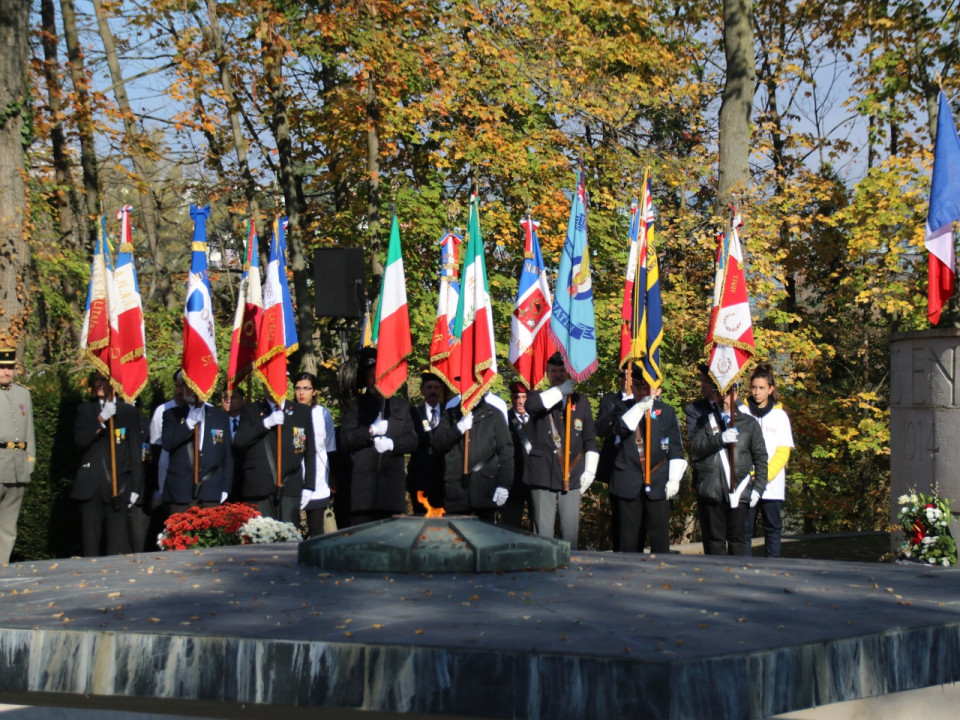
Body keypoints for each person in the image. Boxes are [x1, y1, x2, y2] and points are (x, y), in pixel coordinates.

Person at [596, 364, 686, 553]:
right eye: (638, 388)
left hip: (658, 480)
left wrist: (674, 479)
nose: (642, 392)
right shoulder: (621, 407)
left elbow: (676, 449)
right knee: (628, 542)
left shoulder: (667, 412)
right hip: (628, 480)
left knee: (660, 541)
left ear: (655, 388)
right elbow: (620, 428)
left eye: (646, 388)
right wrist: (638, 408)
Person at [524, 352, 598, 550]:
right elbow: (532, 407)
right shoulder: (537, 396)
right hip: (544, 472)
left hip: (572, 473)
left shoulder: (581, 402)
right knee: (543, 533)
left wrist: (590, 470)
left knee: (570, 532)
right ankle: (542, 571)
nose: (557, 374)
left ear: (569, 372)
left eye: (561, 370)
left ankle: (571, 569)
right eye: (553, 371)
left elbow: (590, 438)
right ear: (547, 374)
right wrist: (560, 392)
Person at [688, 373, 768, 556]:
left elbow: (761, 459)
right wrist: (720, 439)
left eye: (729, 392)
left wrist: (758, 489)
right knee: (714, 542)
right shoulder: (704, 422)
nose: (724, 397)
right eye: (720, 392)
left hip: (739, 490)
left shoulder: (750, 424)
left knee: (738, 541)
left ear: (736, 394)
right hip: (711, 489)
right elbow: (696, 448)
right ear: (715, 395)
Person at [339, 347, 418, 525]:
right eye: (372, 375)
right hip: (364, 494)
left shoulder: (402, 406)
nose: (376, 379)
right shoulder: (355, 407)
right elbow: (345, 440)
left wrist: (393, 444)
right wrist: (370, 432)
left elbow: (412, 440)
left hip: (392, 493)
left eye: (380, 374)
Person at [72, 372, 144, 556]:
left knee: (116, 546)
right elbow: (80, 441)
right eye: (96, 380)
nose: (99, 384)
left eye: (104, 379)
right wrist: (101, 420)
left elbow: (135, 451)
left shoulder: (128, 412)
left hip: (118, 487)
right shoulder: (85, 410)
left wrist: (136, 487)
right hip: (91, 487)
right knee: (90, 547)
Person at [233, 387, 316, 525]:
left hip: (290, 485)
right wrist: (265, 423)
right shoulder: (251, 410)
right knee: (262, 539)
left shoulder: (302, 411)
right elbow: (240, 441)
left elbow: (309, 451)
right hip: (260, 487)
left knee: (289, 540)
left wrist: (309, 486)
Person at [430, 393, 513, 521]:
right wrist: (458, 428)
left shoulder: (494, 414)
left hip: (485, 489)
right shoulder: (450, 414)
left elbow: (506, 452)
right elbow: (438, 444)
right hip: (457, 491)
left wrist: (504, 484)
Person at [740, 363, 794, 557]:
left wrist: (763, 477)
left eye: (761, 388)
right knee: (744, 528)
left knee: (772, 527)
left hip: (772, 483)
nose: (757, 392)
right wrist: (751, 476)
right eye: (754, 387)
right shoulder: (743, 413)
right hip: (746, 482)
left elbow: (782, 452)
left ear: (771, 389)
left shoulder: (780, 416)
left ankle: (773, 566)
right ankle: (744, 567)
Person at [160, 385, 234, 514]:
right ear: (183, 389)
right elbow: (167, 443)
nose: (195, 391)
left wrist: (225, 487)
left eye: (199, 386)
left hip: (211, 490)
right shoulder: (172, 415)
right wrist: (188, 424)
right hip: (181, 492)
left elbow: (227, 455)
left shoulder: (220, 416)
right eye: (189, 387)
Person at [0, 344, 34, 563]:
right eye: (2, 367)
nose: (7, 372)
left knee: (8, 526)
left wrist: (29, 462)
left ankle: (2, 566)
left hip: (17, 466)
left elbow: (29, 431)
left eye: (10, 367)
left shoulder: (23, 393)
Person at [294, 372, 337, 537]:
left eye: (306, 388)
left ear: (315, 391)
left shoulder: (323, 414)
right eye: (298, 388)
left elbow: (330, 447)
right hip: (294, 479)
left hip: (318, 479)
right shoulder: (289, 412)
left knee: (317, 529)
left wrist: (333, 477)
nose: (301, 393)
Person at [406, 372, 447, 513]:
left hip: (443, 478)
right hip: (420, 478)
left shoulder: (449, 413)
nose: (433, 391)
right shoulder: (413, 413)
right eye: (429, 387)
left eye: (436, 387)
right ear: (422, 390)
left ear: (441, 390)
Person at [501, 381, 533, 529]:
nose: (520, 401)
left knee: (539, 528)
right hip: (513, 482)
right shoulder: (503, 420)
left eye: (523, 397)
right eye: (516, 397)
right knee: (510, 528)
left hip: (535, 481)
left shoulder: (538, 418)